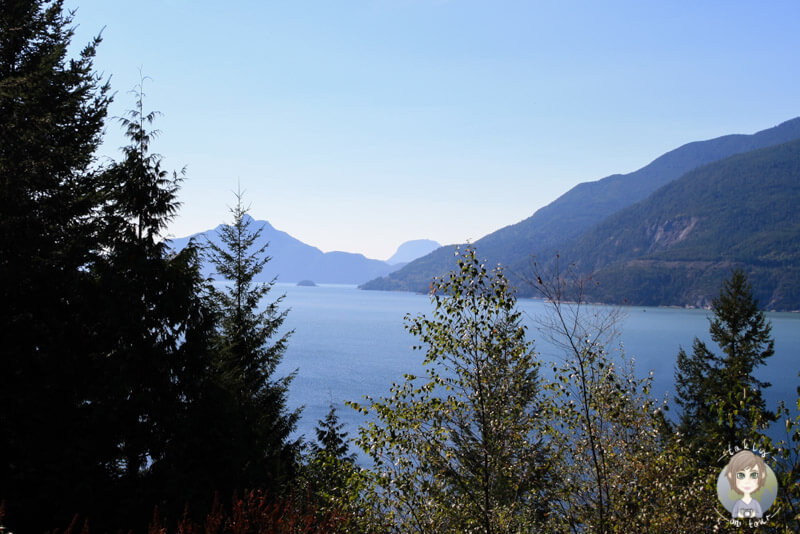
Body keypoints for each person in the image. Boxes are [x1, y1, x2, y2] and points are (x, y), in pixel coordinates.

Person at [725, 450, 767, 519]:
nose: (747, 481)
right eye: (741, 475)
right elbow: (734, 515)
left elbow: (759, 514)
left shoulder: (755, 503)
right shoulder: (738, 503)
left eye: (753, 475)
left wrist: (751, 513)